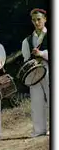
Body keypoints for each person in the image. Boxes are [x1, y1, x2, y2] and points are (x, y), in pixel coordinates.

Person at [22, 8, 49, 137]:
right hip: (34, 71)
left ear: (45, 19)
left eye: (39, 19)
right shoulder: (27, 40)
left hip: (49, 67)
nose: (37, 22)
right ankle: (39, 129)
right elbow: (26, 58)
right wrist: (30, 64)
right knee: (36, 99)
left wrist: (42, 53)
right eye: (34, 20)